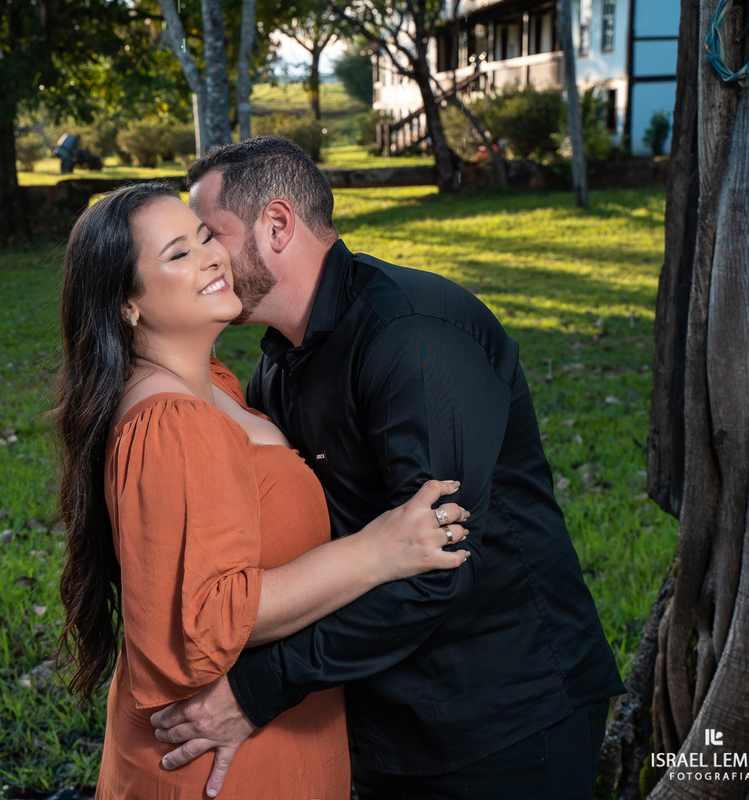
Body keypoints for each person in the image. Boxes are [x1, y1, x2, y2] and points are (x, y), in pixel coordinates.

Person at [150, 137, 626, 800]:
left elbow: (438, 567)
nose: (203, 259)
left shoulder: (412, 336)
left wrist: (258, 689)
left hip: (503, 717)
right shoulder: (276, 366)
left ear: (277, 225)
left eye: (211, 236)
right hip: (382, 722)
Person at [53, 182, 473, 799]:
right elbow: (204, 618)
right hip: (222, 764)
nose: (211, 256)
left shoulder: (212, 384)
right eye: (177, 254)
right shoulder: (172, 423)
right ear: (126, 305)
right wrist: (375, 551)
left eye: (203, 236)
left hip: (276, 737)